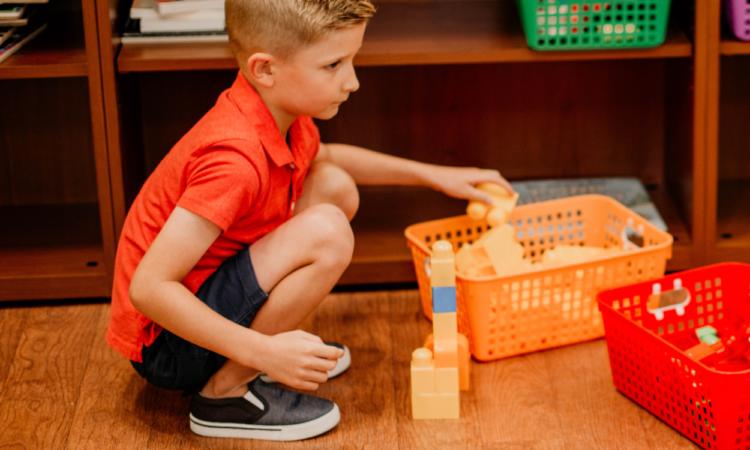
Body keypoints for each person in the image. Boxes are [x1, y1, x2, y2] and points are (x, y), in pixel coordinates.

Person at [105, 0, 511, 440]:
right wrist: (264, 351)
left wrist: (436, 177)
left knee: (333, 184)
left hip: (203, 301)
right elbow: (148, 288)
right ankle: (224, 392)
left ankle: (252, 359)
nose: (352, 81)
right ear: (265, 69)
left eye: (351, 60)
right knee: (329, 231)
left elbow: (327, 157)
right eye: (333, 64)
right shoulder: (234, 161)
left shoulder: (278, 112)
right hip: (169, 346)